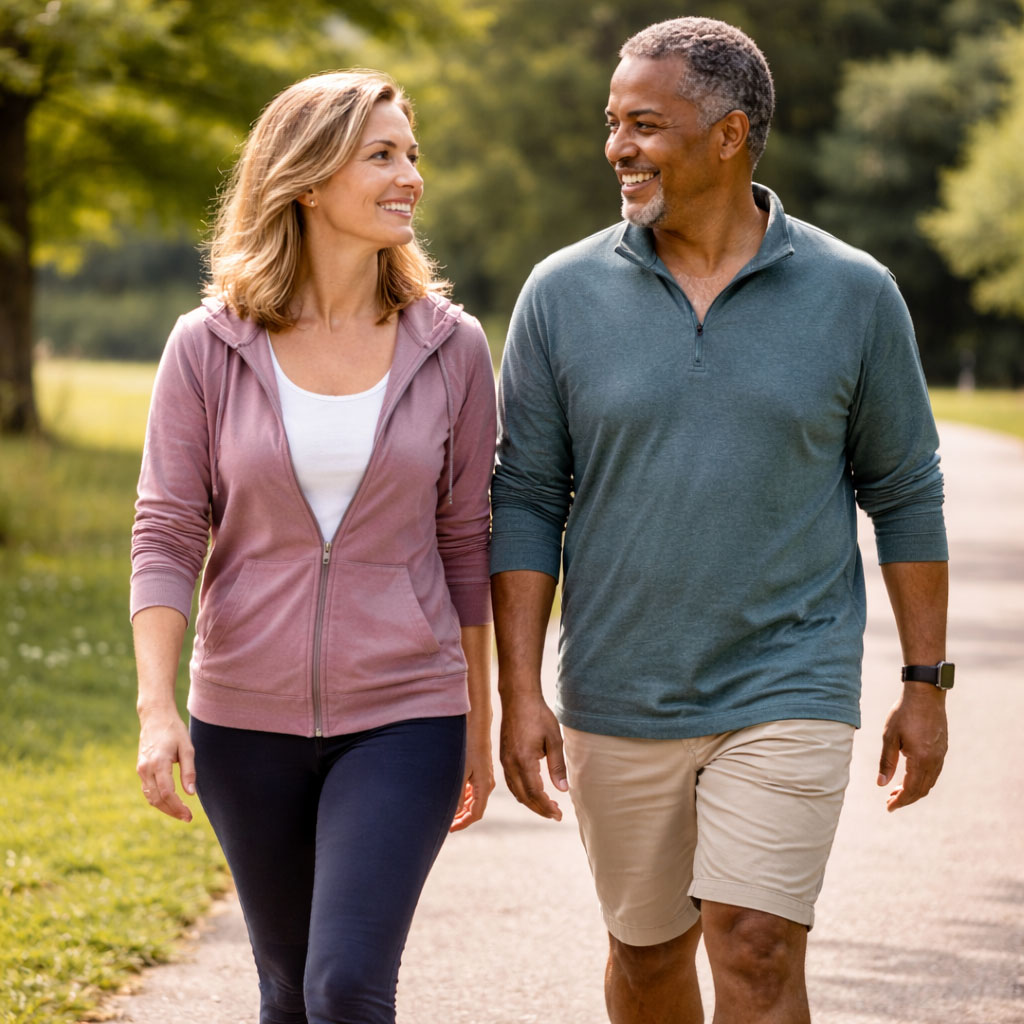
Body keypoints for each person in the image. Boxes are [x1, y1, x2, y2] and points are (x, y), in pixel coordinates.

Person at [491, 17, 951, 1024]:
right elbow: (524, 495)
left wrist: (925, 683)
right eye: (612, 122)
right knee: (647, 956)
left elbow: (905, 489)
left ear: (730, 134)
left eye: (644, 124)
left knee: (755, 947)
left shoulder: (854, 293)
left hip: (789, 677)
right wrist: (518, 692)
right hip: (619, 687)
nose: (617, 147)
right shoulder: (560, 294)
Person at [130, 69, 496, 1024]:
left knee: (345, 986)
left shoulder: (451, 347)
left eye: (411, 153)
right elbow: (168, 528)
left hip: (406, 712)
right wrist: (157, 709)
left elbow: (466, 543)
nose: (410, 175)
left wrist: (480, 718)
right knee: (288, 991)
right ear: (307, 179)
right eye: (382, 155)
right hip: (243, 716)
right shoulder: (209, 346)